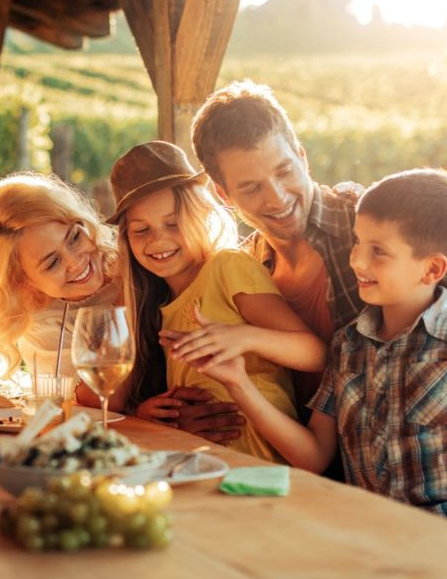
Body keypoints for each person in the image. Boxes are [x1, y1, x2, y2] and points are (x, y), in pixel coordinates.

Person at [198, 170, 447, 533]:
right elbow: (314, 456)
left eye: (378, 251)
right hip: (369, 536)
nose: (357, 261)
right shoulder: (348, 346)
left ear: (433, 268)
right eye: (358, 243)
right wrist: (238, 382)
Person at [189, 79, 447, 408]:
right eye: (251, 188)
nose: (277, 197)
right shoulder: (245, 271)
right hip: (316, 452)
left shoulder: (377, 224)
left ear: (301, 156)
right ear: (223, 194)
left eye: (284, 170)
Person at [0, 172, 244, 443]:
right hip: (151, 439)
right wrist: (148, 417)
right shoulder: (45, 324)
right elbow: (105, 401)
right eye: (52, 262)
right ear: (21, 281)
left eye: (75, 237)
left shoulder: (143, 254)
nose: (76, 261)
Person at [107, 141, 326, 462]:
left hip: (260, 456)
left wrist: (244, 338)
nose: (158, 241)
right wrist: (149, 414)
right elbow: (103, 399)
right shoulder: (158, 305)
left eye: (173, 223)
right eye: (141, 230)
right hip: (204, 463)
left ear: (200, 214)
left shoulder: (227, 267)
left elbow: (315, 354)